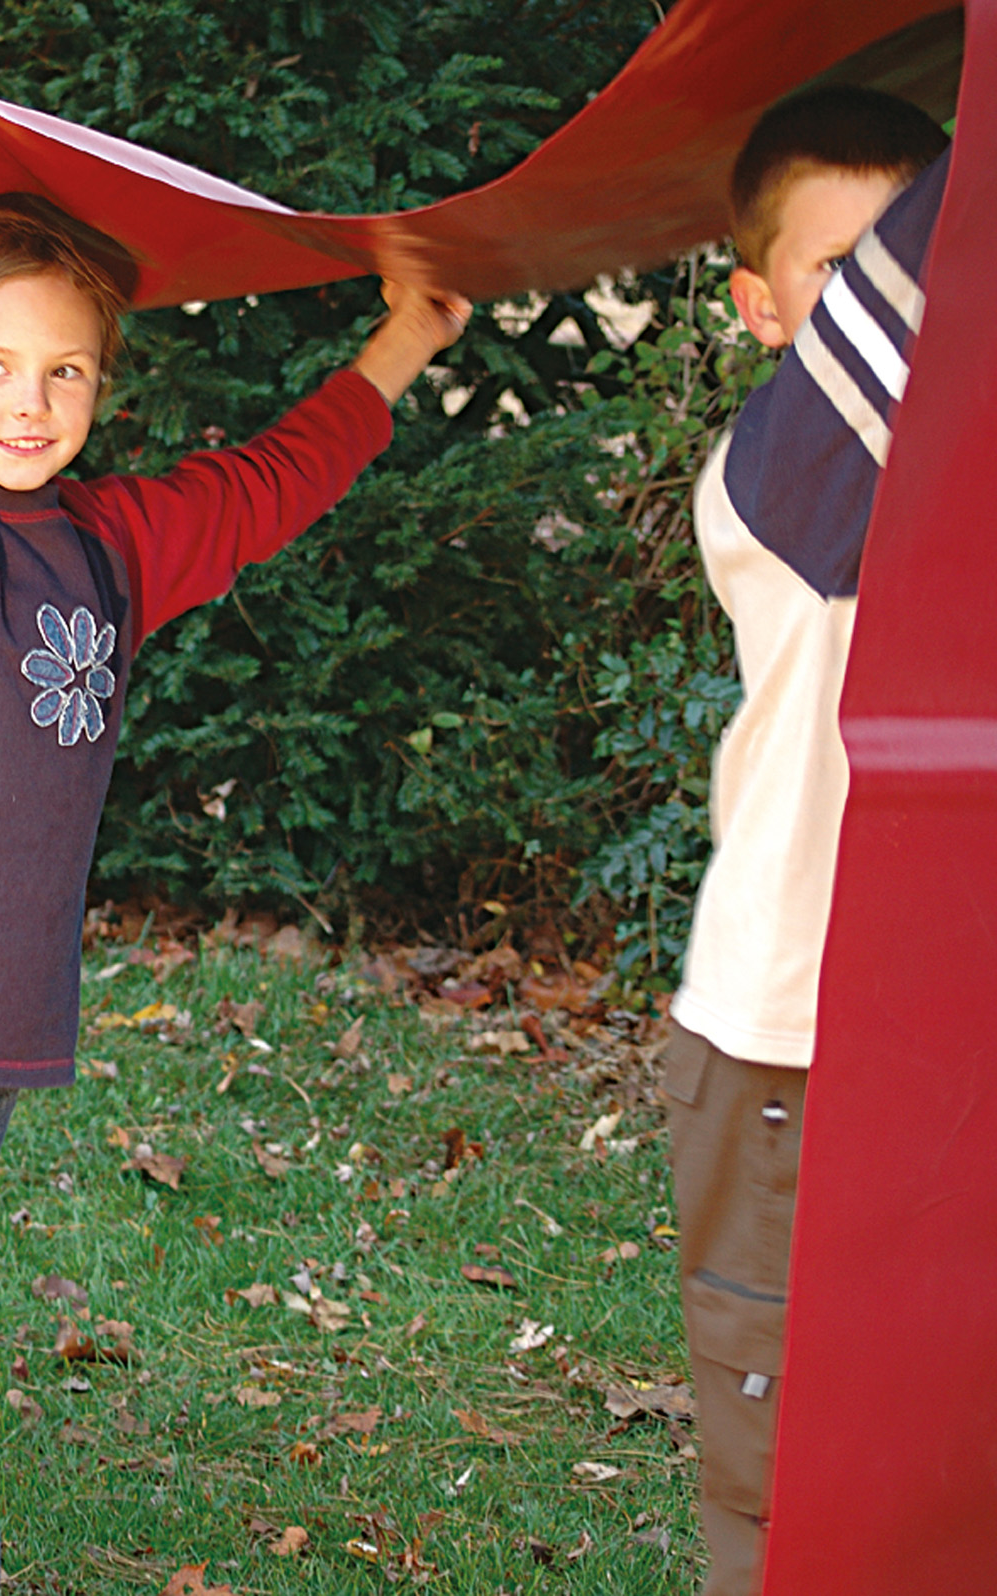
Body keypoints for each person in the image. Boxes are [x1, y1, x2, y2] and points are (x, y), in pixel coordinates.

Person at [0, 9, 467, 1591]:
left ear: (101, 389)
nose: (30, 399)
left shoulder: (113, 548)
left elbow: (267, 486)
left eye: (64, 370)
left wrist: (404, 343)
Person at [666, 84, 947, 1596]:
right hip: (788, 1040)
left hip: (946, 1037)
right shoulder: (778, 472)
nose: (886, 299)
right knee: (784, 1475)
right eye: (842, 268)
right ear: (761, 307)